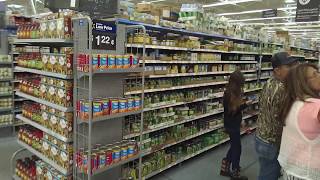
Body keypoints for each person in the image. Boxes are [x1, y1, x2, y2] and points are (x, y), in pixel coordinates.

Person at [255, 52, 298, 180]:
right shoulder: (282, 88)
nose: (293, 69)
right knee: (269, 175)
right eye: (289, 66)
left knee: (266, 171)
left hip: (261, 137)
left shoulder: (269, 82)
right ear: (277, 70)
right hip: (271, 142)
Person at [278, 63, 320, 180]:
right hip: (310, 173)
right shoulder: (315, 107)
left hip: (290, 170)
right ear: (303, 82)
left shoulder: (292, 103)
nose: (319, 76)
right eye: (314, 75)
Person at [220, 70, 250, 180]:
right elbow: (232, 111)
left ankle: (225, 168)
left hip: (232, 124)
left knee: (234, 146)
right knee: (237, 148)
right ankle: (235, 172)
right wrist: (245, 105)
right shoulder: (230, 93)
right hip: (232, 125)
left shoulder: (232, 91)